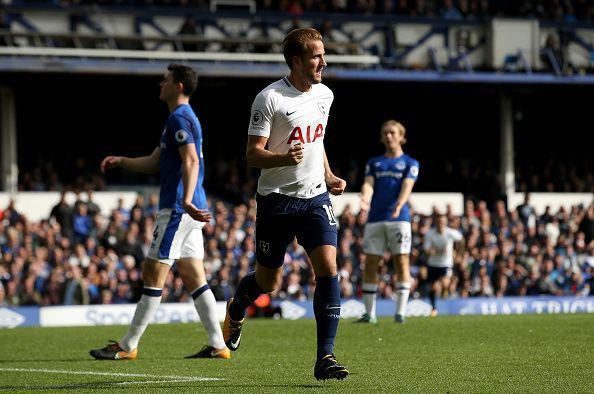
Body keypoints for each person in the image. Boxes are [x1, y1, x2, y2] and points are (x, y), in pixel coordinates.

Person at [222, 27, 349, 381]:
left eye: (323, 54)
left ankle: (326, 357)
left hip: (314, 199)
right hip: (276, 201)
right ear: (296, 61)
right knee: (268, 282)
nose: (323, 61)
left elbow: (317, 141)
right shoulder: (270, 99)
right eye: (316, 56)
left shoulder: (325, 95)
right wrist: (282, 158)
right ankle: (237, 307)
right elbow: (252, 155)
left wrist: (328, 175)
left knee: (328, 268)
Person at [90, 63, 230, 360]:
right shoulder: (182, 119)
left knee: (153, 271)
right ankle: (218, 345)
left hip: (180, 208)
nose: (160, 84)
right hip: (192, 207)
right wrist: (123, 161)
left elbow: (191, 161)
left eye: (165, 80)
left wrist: (187, 200)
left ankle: (127, 346)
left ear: (179, 85)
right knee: (193, 276)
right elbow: (156, 162)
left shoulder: (179, 117)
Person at [356, 120, 419, 324]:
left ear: (402, 136)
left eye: (393, 132)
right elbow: (368, 183)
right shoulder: (375, 163)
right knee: (371, 263)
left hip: (399, 219)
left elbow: (407, 186)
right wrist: (365, 198)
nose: (389, 136)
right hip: (375, 218)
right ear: (382, 137)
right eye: (386, 133)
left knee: (401, 261)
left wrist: (400, 204)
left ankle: (400, 312)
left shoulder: (410, 162)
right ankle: (369, 314)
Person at [423, 214, 464, 316]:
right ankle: (434, 308)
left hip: (445, 263)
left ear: (445, 223)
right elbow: (426, 249)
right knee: (432, 288)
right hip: (433, 263)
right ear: (436, 223)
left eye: (443, 222)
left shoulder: (450, 233)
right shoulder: (430, 234)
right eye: (439, 222)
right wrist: (432, 251)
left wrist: (459, 254)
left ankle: (445, 289)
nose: (441, 224)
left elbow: (461, 240)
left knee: (445, 283)